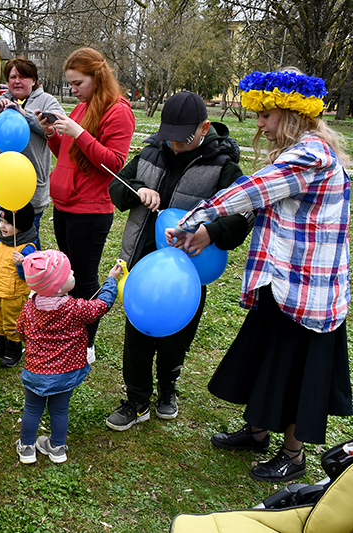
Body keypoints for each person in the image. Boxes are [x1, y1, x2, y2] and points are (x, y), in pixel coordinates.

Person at [166, 69, 353, 482]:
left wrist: (197, 218)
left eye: (266, 115)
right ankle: (256, 433)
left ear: (291, 113)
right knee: (267, 358)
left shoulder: (310, 156)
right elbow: (265, 204)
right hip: (283, 281)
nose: (261, 124)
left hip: (307, 291)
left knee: (291, 369)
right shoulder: (301, 153)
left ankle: (293, 454)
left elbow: (251, 191)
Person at [105, 91, 251, 431]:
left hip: (189, 272)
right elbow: (117, 186)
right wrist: (137, 188)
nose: (174, 146)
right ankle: (136, 399)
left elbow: (245, 214)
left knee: (177, 337)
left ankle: (168, 388)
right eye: (168, 138)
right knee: (137, 334)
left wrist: (210, 233)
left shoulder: (223, 167)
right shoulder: (151, 151)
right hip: (144, 264)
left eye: (182, 140)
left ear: (203, 128)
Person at [36, 47, 136, 363]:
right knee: (68, 275)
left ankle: (86, 344)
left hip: (90, 210)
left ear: (97, 76)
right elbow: (68, 153)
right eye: (71, 83)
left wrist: (79, 133)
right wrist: (52, 134)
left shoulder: (118, 112)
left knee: (85, 277)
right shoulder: (82, 107)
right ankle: (71, 333)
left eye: (78, 83)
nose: (73, 90)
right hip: (65, 204)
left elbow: (114, 163)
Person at [14, 249, 122, 464]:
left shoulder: (29, 307)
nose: (72, 272)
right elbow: (101, 306)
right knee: (60, 410)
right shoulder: (74, 308)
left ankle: (26, 447)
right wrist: (111, 281)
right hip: (65, 373)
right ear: (57, 287)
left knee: (32, 410)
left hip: (36, 371)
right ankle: (57, 448)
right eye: (68, 273)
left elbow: (20, 330)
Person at [0, 57, 64, 250]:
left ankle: (30, 278)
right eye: (12, 77)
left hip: (29, 189)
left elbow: (59, 129)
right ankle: (5, 278)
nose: (17, 81)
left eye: (23, 76)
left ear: (34, 80)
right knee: (5, 242)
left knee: (27, 248)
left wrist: (25, 114)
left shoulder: (47, 101)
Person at [0, 203, 38, 368]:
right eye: (1, 221)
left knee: (12, 324)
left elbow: (29, 276)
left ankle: (14, 351)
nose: (3, 226)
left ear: (21, 226)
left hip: (13, 295)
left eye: (8, 223)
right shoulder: (2, 241)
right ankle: (0, 346)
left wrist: (21, 264)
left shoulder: (27, 248)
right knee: (0, 321)